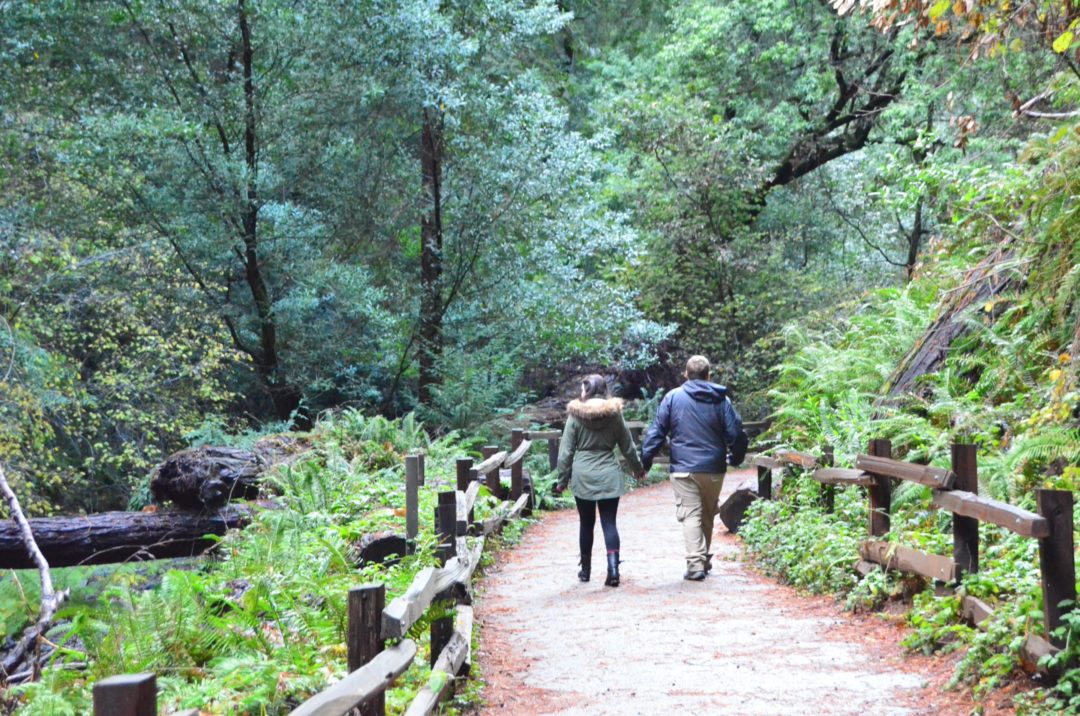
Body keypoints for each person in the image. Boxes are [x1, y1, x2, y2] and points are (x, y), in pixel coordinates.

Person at [640, 355, 742, 581]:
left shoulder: (672, 398)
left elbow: (656, 432)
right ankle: (702, 560)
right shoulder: (721, 400)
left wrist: (645, 461)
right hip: (714, 468)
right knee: (706, 514)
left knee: (691, 514)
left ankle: (696, 564)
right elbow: (735, 432)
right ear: (709, 374)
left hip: (684, 468)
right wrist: (736, 457)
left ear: (686, 375)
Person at [554, 374, 644, 587]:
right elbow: (627, 446)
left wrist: (561, 480)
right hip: (608, 474)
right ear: (604, 390)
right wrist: (638, 469)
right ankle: (613, 570)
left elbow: (565, 452)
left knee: (586, 523)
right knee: (609, 522)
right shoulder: (614, 414)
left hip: (583, 474)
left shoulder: (575, 416)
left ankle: (585, 571)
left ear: (586, 391)